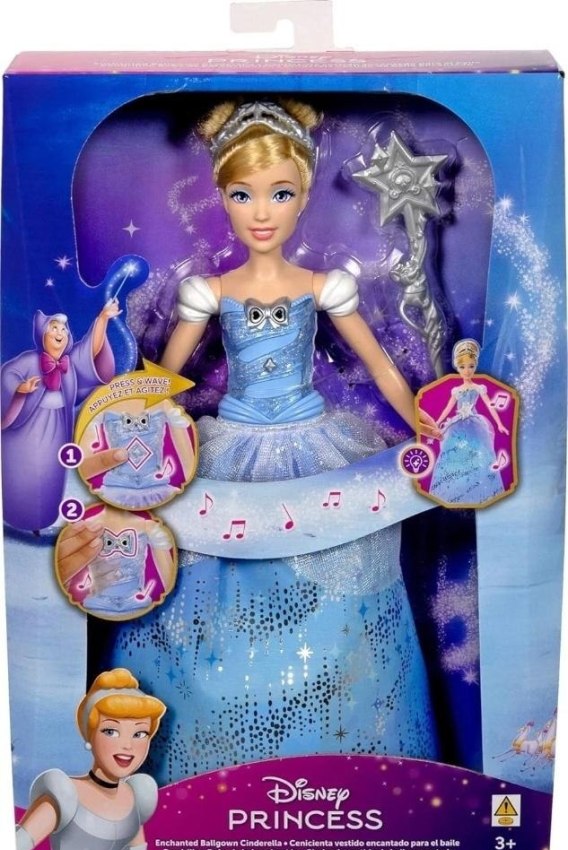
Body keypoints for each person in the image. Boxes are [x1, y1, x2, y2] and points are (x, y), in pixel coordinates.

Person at [105, 100, 439, 782]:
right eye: (243, 194)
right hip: (232, 449)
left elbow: (380, 365)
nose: (262, 212)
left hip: (315, 447)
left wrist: (423, 421)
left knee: (343, 589)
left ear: (305, 196)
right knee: (210, 594)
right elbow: (162, 381)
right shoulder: (209, 292)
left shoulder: (322, 286)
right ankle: (215, 771)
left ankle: (338, 757)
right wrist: (123, 436)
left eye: (280, 193)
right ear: (222, 196)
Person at [16, 668, 166, 850]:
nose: (128, 745)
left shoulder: (136, 798)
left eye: (140, 733)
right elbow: (14, 848)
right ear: (90, 734)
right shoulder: (66, 793)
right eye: (111, 731)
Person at [1, 303, 117, 531]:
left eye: (64, 330)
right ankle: (16, 517)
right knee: (24, 473)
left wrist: (103, 318)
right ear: (42, 335)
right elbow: (6, 376)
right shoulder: (29, 361)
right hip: (25, 433)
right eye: (54, 328)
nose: (60, 333)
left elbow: (91, 350)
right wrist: (21, 388)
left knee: (50, 474)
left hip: (56, 432)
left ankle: (44, 518)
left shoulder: (69, 366)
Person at [428, 338, 508, 505]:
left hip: (475, 425)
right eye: (463, 367)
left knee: (480, 454)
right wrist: (435, 423)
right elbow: (447, 408)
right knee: (453, 455)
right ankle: (456, 491)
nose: (467, 370)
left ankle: (480, 490)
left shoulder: (479, 388)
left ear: (475, 366)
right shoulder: (456, 390)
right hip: (457, 425)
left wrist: (499, 423)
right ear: (458, 367)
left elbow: (490, 405)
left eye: (471, 366)